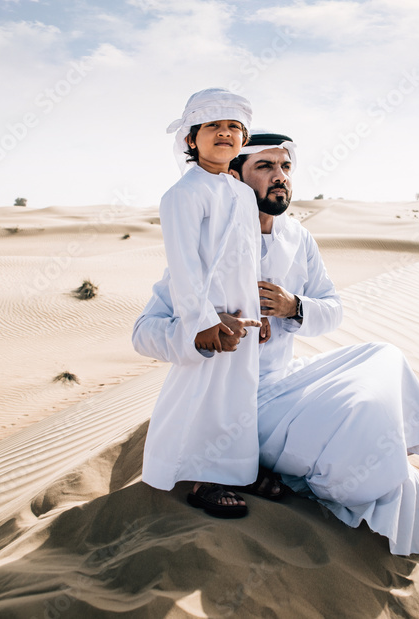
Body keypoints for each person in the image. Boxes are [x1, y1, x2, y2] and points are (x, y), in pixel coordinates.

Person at [134, 131, 419, 572]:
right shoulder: (208, 244)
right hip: (232, 410)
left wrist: (293, 307)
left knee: (384, 356)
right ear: (236, 178)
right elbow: (145, 332)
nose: (280, 178)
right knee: (361, 428)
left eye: (285, 167)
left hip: (284, 382)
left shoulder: (297, 238)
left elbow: (333, 310)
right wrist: (206, 334)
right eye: (265, 167)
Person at [139, 88, 266, 519]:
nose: (224, 134)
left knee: (236, 396)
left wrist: (257, 314)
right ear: (192, 139)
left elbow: (249, 258)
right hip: (209, 318)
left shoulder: (242, 193)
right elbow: (184, 265)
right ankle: (197, 477)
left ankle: (231, 471)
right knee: (200, 394)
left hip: (240, 315)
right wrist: (202, 322)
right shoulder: (184, 193)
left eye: (233, 126)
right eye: (213, 126)